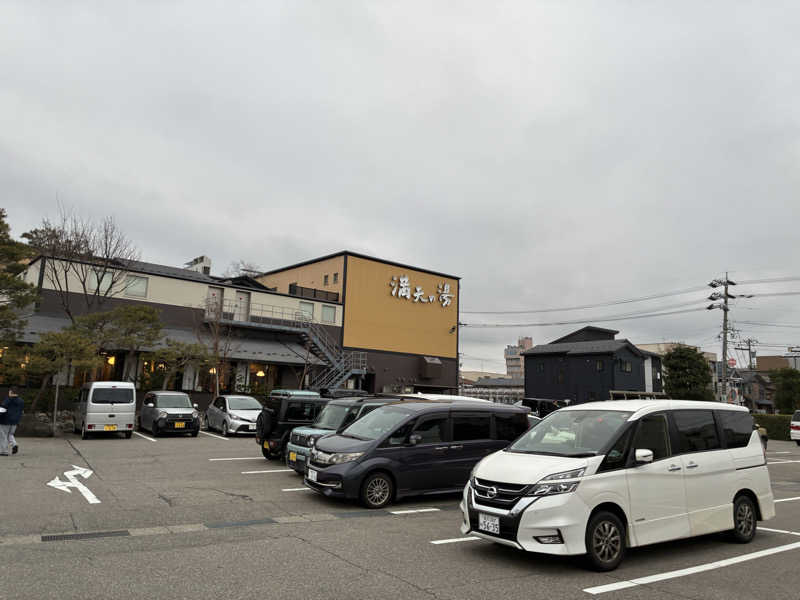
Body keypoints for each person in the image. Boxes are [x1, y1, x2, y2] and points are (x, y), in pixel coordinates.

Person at [0, 388, 24, 456]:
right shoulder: (21, 401)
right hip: (15, 421)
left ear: (10, 392)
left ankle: (3, 451)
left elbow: (2, 410)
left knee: (3, 436)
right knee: (10, 434)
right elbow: (21, 411)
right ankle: (14, 444)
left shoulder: (8, 400)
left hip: (5, 421)